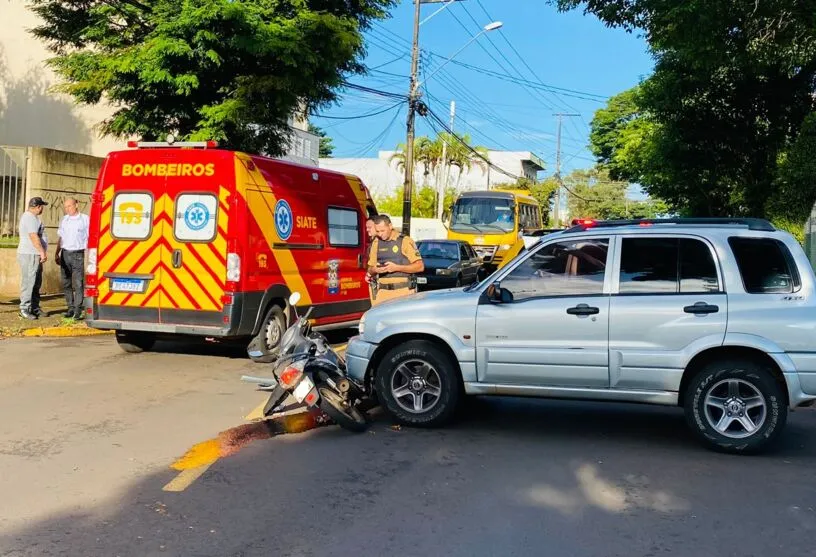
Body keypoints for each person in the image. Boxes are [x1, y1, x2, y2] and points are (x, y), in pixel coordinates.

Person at [367, 215, 424, 305]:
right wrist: (375, 269)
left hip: (403, 292)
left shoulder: (404, 241)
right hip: (382, 293)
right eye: (378, 231)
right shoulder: (376, 242)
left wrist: (396, 268)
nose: (380, 234)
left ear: (390, 226)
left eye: (383, 231)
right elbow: (370, 269)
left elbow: (420, 267)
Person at [56, 197, 90, 319]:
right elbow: (61, 237)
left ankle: (77, 309)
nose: (67, 209)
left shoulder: (85, 219)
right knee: (66, 283)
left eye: (69, 206)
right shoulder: (64, 220)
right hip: (65, 253)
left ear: (76, 204)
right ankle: (70, 307)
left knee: (78, 283)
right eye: (65, 207)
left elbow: (90, 237)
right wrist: (57, 252)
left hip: (78, 254)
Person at [17, 197, 49, 320]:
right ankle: (24, 308)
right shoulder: (29, 218)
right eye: (42, 207)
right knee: (29, 281)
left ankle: (34, 307)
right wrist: (42, 252)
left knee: (36, 282)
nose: (42, 209)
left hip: (34, 254)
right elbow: (33, 236)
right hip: (29, 253)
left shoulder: (33, 218)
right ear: (38, 207)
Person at [364, 217, 376, 300]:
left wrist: (369, 274)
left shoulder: (380, 243)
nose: (367, 230)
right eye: (366, 228)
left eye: (369, 227)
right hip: (374, 281)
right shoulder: (373, 242)